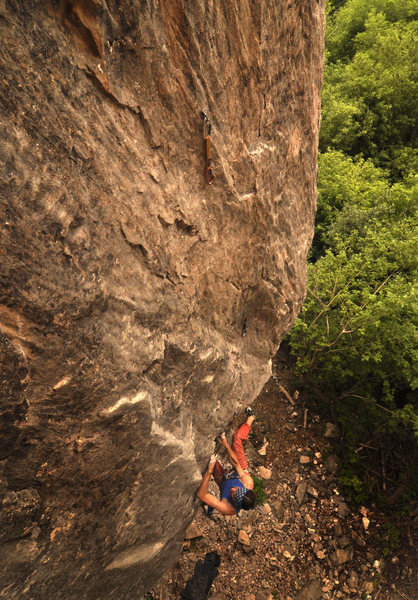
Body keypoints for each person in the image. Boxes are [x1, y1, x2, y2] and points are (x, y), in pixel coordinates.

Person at [197, 408, 256, 515]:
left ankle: (210, 509)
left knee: (211, 463)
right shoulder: (247, 482)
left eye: (233, 494)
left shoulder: (228, 508)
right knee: (237, 438)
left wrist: (210, 471)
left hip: (224, 482)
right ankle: (250, 419)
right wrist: (225, 444)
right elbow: (236, 463)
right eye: (237, 489)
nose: (233, 489)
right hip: (239, 471)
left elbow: (201, 495)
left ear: (236, 503)